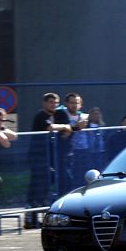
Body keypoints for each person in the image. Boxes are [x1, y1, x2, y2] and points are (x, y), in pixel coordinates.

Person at [26, 93, 73, 228]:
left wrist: (63, 128)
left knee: (60, 181)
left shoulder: (61, 115)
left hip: (54, 156)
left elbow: (68, 130)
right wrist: (63, 127)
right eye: (51, 102)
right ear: (45, 103)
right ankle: (31, 217)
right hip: (38, 156)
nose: (54, 105)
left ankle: (59, 214)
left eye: (56, 102)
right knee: (38, 184)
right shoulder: (40, 116)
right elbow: (50, 128)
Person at [54, 93, 89, 193]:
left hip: (79, 150)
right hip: (63, 151)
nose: (74, 105)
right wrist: (76, 127)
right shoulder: (60, 114)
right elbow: (64, 134)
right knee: (65, 178)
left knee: (78, 176)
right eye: (71, 103)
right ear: (66, 103)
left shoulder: (82, 116)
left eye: (76, 103)